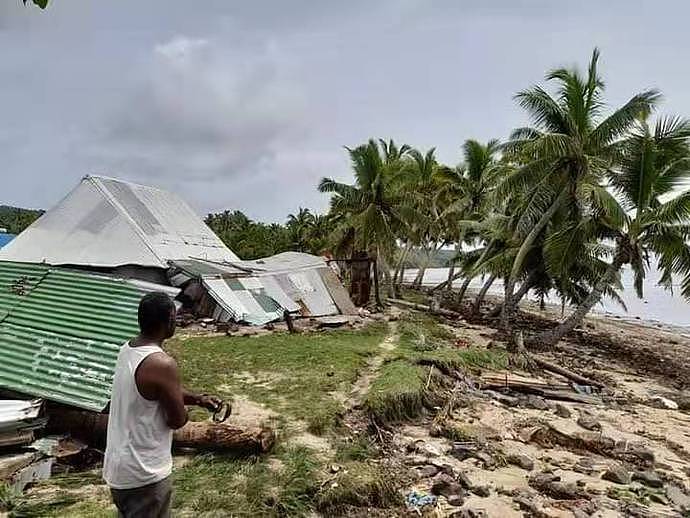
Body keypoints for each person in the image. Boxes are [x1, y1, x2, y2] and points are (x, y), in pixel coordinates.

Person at [103, 292, 222, 518]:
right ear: (169, 319)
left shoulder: (128, 349)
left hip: (120, 469)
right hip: (145, 473)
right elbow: (177, 420)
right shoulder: (162, 364)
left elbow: (152, 392)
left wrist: (197, 398)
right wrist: (183, 408)